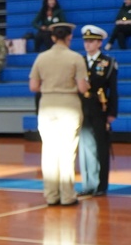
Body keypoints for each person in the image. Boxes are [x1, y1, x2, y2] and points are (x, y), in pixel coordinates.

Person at [29, 23, 89, 206]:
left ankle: (51, 195)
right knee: (66, 152)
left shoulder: (41, 57)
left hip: (47, 105)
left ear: (53, 37)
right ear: (69, 37)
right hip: (68, 104)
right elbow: (82, 87)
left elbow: (33, 87)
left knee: (48, 151)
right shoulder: (76, 58)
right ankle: (67, 195)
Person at [77, 25, 119, 197]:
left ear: (100, 42)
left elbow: (113, 90)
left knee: (101, 146)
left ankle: (101, 185)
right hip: (82, 107)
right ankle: (88, 183)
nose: (88, 44)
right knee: (85, 147)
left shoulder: (108, 62)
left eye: (92, 41)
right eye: (86, 41)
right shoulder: (79, 61)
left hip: (99, 107)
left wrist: (112, 113)